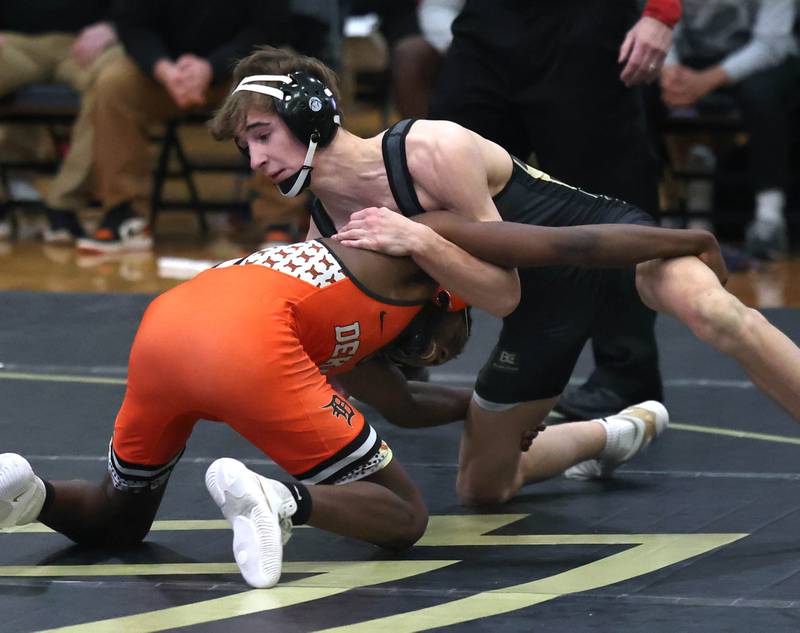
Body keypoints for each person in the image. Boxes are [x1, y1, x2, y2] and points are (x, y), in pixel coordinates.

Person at [0, 206, 729, 587]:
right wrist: (680, 237)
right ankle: (284, 501)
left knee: (121, 516)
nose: (444, 351)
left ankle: (29, 490)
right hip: (247, 337)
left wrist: (520, 408)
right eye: (455, 334)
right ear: (453, 293)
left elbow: (412, 407)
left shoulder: (347, 330)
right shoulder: (420, 241)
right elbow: (568, 245)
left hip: (169, 323)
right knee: (406, 516)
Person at [210, 47, 800, 507]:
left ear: (309, 115)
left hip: (599, 241)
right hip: (538, 311)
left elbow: (502, 289)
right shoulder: (329, 230)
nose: (257, 162)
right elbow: (388, 372)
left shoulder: (430, 149)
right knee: (482, 489)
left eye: (262, 137)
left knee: (719, 314)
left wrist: (419, 239)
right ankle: (611, 433)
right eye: (246, 149)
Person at [428, 0, 682, 422]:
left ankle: (626, 372)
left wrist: (661, 13)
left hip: (586, 21)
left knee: (606, 191)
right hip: (490, 20)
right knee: (435, 169)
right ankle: (408, 342)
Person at [74, 0, 291, 254]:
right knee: (113, 86)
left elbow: (270, 28)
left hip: (240, 72)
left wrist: (211, 68)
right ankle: (125, 215)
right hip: (165, 74)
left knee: (278, 86)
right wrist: (164, 69)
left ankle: (280, 221)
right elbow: (133, 25)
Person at [657, 0, 800, 260]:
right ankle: (649, 211)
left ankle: (769, 219)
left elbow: (772, 43)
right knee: (635, 82)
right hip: (687, 63)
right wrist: (669, 71)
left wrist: (706, 81)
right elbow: (657, 23)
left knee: (763, 94)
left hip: (764, 61)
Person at [0, 0, 121, 243]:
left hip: (86, 42)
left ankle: (64, 203)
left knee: (114, 83)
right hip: (12, 41)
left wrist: (114, 27)